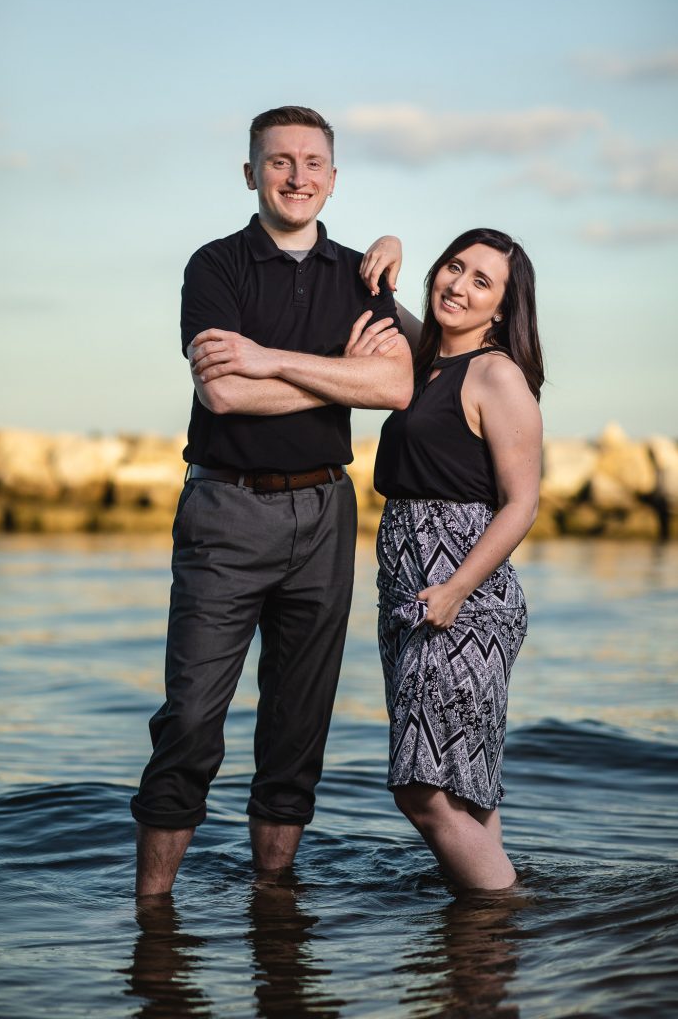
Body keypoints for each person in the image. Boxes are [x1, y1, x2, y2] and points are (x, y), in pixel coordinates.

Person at [130, 106, 413, 897]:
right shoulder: (215, 265)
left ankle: (272, 909)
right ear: (250, 173)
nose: (297, 176)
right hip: (225, 510)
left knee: (296, 729)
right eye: (279, 161)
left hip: (327, 514)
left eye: (313, 162)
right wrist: (330, 377)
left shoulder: (362, 275)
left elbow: (393, 385)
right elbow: (221, 393)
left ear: (333, 175)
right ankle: (152, 918)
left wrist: (268, 361)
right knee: (189, 720)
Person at [362, 228, 543, 890]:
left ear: (501, 308)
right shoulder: (429, 359)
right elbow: (387, 305)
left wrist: (455, 590)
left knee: (420, 789)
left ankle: (507, 917)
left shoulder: (494, 373)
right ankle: (480, 970)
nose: (458, 287)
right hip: (407, 591)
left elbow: (520, 503)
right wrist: (388, 247)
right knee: (465, 791)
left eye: (480, 282)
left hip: (461, 599)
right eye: (454, 267)